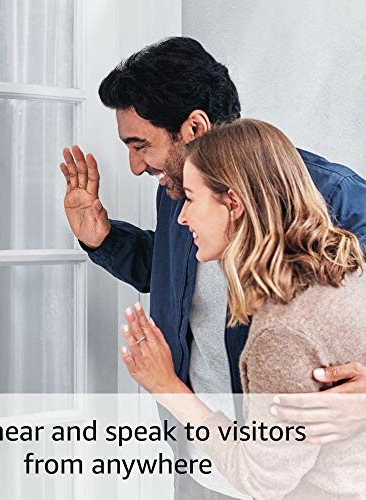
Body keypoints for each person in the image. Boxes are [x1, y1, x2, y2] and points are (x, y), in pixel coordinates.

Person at [59, 37, 366, 498]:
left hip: (292, 478)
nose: (136, 165)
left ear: (194, 128)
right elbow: (176, 276)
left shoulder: (330, 197)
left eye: (141, 144)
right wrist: (101, 238)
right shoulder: (179, 194)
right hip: (204, 458)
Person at [118, 118, 366, 498]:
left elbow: (261, 481)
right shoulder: (333, 268)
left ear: (232, 203)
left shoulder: (281, 332)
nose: (181, 218)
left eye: (191, 198)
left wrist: (166, 387)